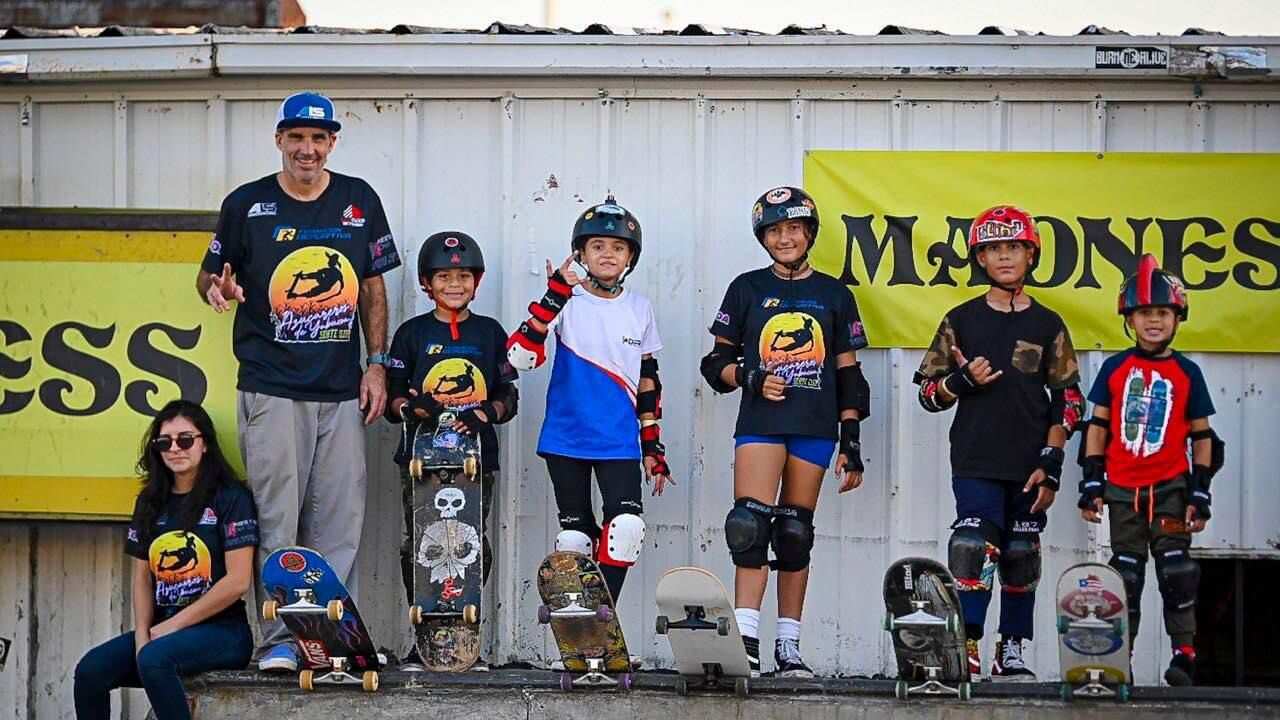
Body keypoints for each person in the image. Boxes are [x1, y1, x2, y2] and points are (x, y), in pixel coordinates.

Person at [194, 91, 401, 672]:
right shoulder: (247, 203)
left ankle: (332, 640)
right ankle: (278, 643)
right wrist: (218, 291)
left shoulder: (359, 200)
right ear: (280, 140)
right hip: (272, 386)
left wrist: (377, 364)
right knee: (276, 520)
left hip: (340, 391)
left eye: (318, 138)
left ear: (332, 141)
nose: (307, 149)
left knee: (340, 523)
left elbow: (374, 287)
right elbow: (209, 277)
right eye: (296, 138)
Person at [698, 186, 871, 677]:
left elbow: (848, 374)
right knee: (749, 528)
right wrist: (749, 377)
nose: (785, 237)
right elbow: (715, 364)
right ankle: (746, 639)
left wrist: (852, 443)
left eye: (793, 227)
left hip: (815, 425)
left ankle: (788, 645)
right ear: (763, 237)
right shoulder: (746, 288)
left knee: (795, 534)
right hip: (762, 422)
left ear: (809, 232)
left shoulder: (836, 294)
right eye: (775, 230)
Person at [913, 205, 1084, 681]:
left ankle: (1011, 650)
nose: (1005, 257)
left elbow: (1068, 399)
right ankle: (965, 644)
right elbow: (928, 394)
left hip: (1030, 461)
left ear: (1031, 255)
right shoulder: (960, 319)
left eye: (1014, 247)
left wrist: (1051, 463)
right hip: (976, 456)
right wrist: (960, 382)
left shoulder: (1049, 323)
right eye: (994, 249)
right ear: (980, 259)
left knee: (1021, 554)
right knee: (972, 545)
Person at [506, 195, 671, 605]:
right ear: (581, 252)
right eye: (597, 246)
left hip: (618, 439)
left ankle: (600, 616)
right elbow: (520, 357)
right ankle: (578, 620)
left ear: (631, 256)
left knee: (627, 527)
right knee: (576, 537)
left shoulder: (639, 308)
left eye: (618, 247)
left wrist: (653, 447)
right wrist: (554, 295)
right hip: (567, 436)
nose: (608, 254)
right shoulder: (567, 302)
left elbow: (648, 380)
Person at [1077, 253, 1223, 687]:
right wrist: (1091, 481)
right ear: (1129, 319)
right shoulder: (1115, 368)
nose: (1153, 321)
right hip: (1123, 488)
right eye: (1144, 313)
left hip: (1171, 488)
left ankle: (1185, 653)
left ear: (1178, 317)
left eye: (1162, 313)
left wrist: (1200, 491)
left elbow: (1203, 437)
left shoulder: (1187, 372)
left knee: (1176, 569)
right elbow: (1097, 426)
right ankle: (1119, 659)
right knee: (1126, 574)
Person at [74, 400, 258, 720]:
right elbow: (142, 579)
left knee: (155, 659)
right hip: (163, 634)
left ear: (205, 444)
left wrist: (171, 627)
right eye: (165, 442)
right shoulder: (150, 501)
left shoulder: (231, 498)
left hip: (224, 633)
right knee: (91, 671)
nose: (175, 448)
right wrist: (143, 635)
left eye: (185, 439)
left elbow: (238, 581)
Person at [386, 231, 519, 670]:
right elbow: (390, 399)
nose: (454, 284)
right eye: (444, 276)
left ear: (476, 281)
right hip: (422, 461)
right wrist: (412, 407)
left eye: (463, 275)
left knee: (470, 545)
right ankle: (423, 640)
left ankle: (467, 642)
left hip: (474, 461)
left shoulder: (489, 333)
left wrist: (486, 413)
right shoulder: (412, 333)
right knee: (420, 545)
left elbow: (508, 396)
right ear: (427, 283)